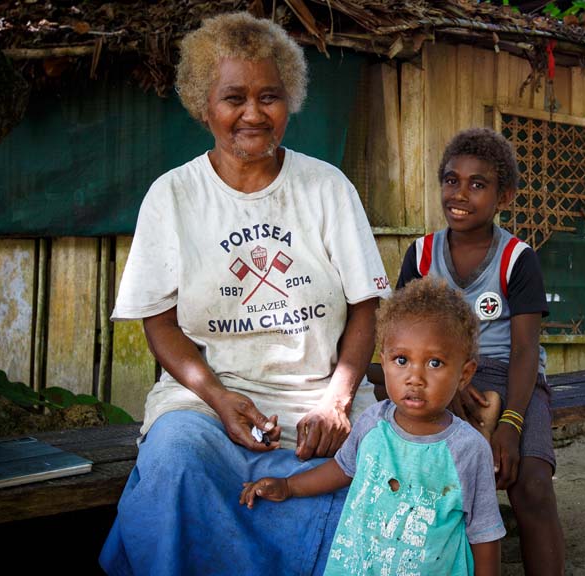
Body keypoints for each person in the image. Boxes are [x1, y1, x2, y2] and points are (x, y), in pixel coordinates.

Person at [98, 12, 390, 575]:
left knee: (381, 471)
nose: (253, 114)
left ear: (290, 101)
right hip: (208, 404)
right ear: (203, 104)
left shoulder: (326, 187)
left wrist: (336, 400)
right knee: (175, 459)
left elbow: (363, 308)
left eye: (269, 97)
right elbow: (158, 322)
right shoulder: (173, 196)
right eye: (234, 97)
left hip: (318, 400)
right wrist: (216, 396)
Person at [241, 278, 505, 575]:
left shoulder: (468, 450)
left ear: (464, 374)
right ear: (384, 361)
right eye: (401, 360)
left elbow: (484, 534)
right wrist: (289, 486)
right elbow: (342, 469)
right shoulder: (372, 424)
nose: (414, 377)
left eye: (434, 363)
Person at [392, 127, 565, 574]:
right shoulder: (422, 254)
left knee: (531, 485)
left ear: (503, 195)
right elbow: (397, 335)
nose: (460, 193)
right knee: (426, 472)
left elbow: (526, 352)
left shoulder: (517, 259)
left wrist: (510, 423)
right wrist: (446, 386)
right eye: (451, 180)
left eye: (477, 184)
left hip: (511, 378)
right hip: (438, 373)